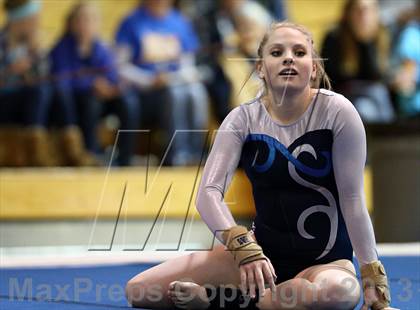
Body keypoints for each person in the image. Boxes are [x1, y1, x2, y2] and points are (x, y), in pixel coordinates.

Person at [125, 21, 396, 310]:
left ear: (314, 67)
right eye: (277, 52)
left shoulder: (338, 113)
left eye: (300, 52)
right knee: (141, 291)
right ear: (260, 68)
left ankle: (224, 301)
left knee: (340, 293)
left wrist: (371, 274)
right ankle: (259, 298)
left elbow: (352, 199)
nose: (288, 58)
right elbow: (208, 193)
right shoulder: (242, 119)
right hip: (260, 256)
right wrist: (244, 249)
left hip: (326, 263)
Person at [115, 0, 208, 166]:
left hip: (174, 81)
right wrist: (149, 80)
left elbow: (187, 63)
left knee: (196, 91)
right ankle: (177, 153)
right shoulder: (131, 22)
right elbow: (120, 67)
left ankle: (196, 152)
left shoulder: (179, 21)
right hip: (146, 91)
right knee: (174, 93)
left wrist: (176, 76)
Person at [49, 2, 139, 166]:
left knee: (128, 101)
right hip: (77, 101)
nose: (86, 24)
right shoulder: (61, 48)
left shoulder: (101, 48)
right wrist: (92, 84)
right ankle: (92, 154)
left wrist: (111, 87)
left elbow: (112, 74)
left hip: (103, 97)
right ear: (72, 23)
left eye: (91, 19)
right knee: (92, 102)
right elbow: (62, 79)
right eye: (82, 19)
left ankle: (125, 157)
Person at [321, 0, 395, 124]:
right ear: (348, 12)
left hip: (378, 97)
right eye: (359, 10)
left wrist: (366, 42)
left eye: (369, 10)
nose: (363, 15)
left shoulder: (383, 36)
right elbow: (330, 79)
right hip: (346, 98)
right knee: (364, 109)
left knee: (379, 95)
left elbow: (380, 75)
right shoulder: (334, 38)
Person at [0, 0, 52, 166]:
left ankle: (74, 151)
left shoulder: (32, 44)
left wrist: (36, 52)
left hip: (27, 100)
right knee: (38, 93)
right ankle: (34, 150)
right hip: (4, 100)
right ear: (20, 20)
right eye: (33, 18)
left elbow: (43, 78)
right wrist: (10, 71)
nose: (37, 23)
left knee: (53, 91)